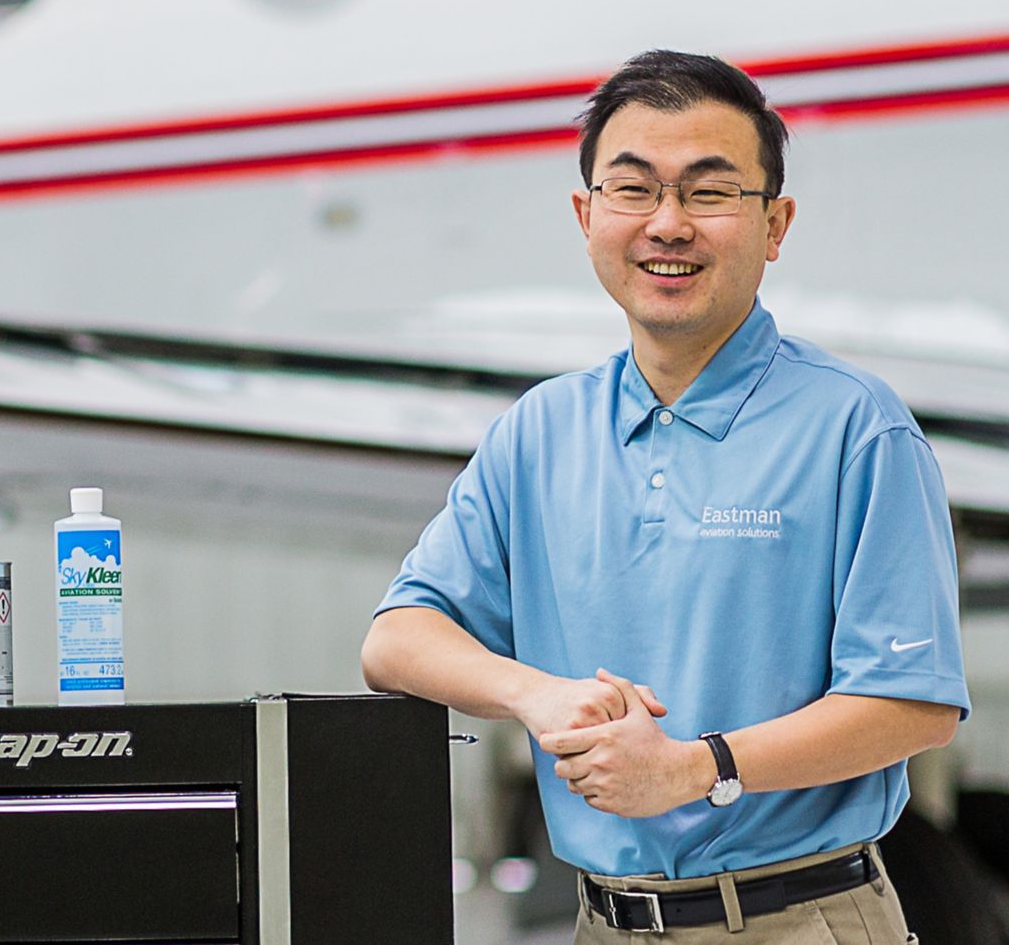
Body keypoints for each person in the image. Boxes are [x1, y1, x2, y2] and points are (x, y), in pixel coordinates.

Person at [359, 49, 967, 943]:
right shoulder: (540, 431)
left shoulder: (855, 426)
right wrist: (540, 696)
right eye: (634, 190)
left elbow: (914, 702)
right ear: (587, 214)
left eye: (709, 192)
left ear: (775, 223)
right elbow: (397, 637)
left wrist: (698, 768)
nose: (668, 224)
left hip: (802, 918)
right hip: (603, 921)